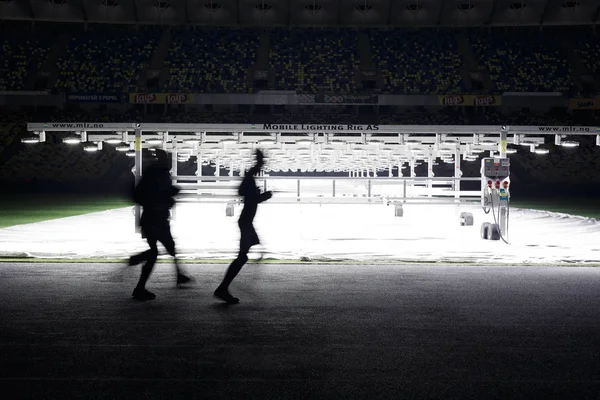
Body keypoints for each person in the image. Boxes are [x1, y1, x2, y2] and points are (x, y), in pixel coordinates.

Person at [129, 149, 192, 301]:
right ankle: (139, 285)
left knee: (163, 249)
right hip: (156, 219)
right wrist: (166, 198)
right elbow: (155, 195)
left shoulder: (155, 175)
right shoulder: (158, 176)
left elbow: (145, 195)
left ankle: (177, 275)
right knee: (158, 251)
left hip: (154, 218)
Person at [214, 149, 272, 304]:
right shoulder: (249, 179)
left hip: (246, 221)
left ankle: (224, 288)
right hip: (246, 222)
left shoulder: (248, 181)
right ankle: (222, 288)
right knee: (242, 256)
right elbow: (252, 199)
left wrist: (259, 196)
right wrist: (263, 196)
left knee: (243, 256)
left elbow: (249, 197)